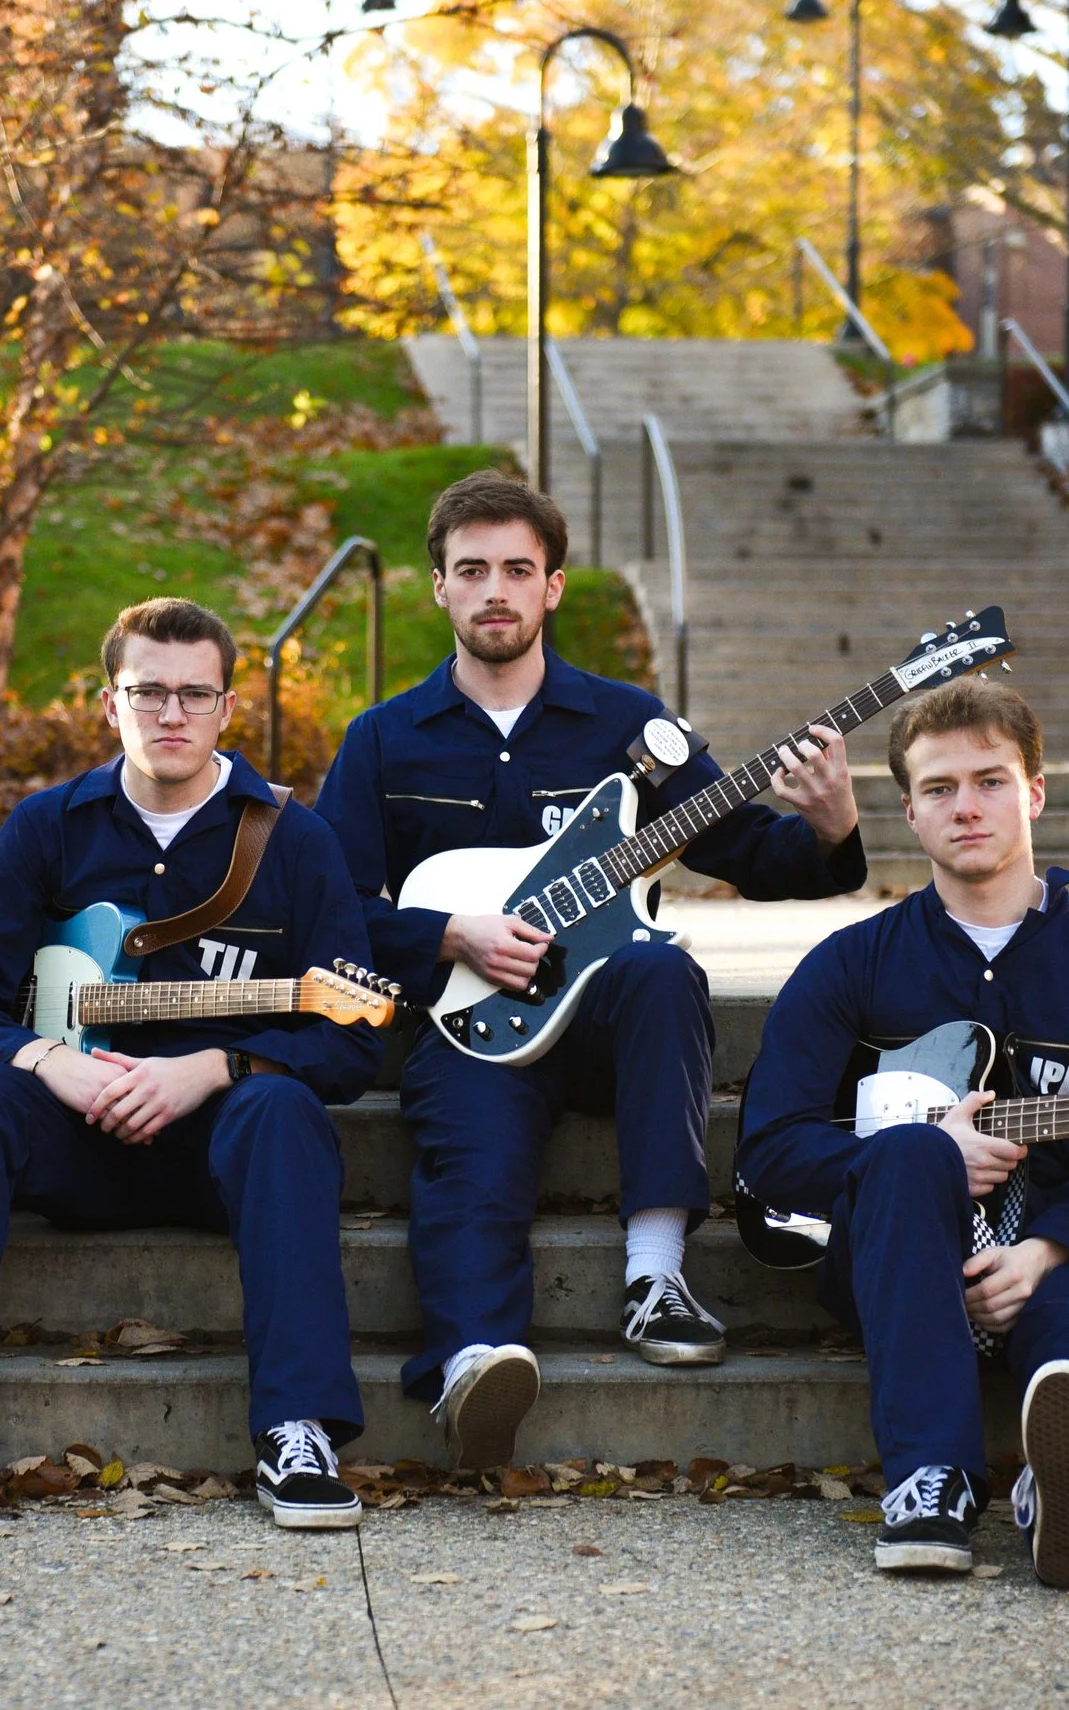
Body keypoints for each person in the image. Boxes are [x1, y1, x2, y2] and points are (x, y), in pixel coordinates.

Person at [312, 471, 867, 1470]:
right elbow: (331, 911)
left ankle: (655, 1277)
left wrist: (829, 830)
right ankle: (474, 1360)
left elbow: (740, 846)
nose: (495, 589)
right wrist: (449, 937)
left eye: (517, 570)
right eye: (471, 569)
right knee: (470, 1171)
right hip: (467, 1021)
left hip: (610, 1023)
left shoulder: (626, 726)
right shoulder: (382, 741)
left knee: (662, 970)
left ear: (552, 587)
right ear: (437, 587)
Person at [0, 597, 381, 1530]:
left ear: (227, 709)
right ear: (108, 704)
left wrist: (214, 1068)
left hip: (218, 1149)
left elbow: (353, 1041)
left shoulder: (294, 843)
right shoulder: (47, 828)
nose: (172, 714)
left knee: (285, 1115)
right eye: (148, 691)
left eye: (195, 694)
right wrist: (44, 1062)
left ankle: (297, 1431)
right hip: (69, 1135)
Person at [735, 680, 1069, 1588]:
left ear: (1036, 792)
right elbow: (771, 1150)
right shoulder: (850, 964)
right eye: (940, 788)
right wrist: (927, 1159)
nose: (967, 806)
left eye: (991, 780)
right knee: (910, 1152)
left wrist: (1047, 1252)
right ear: (907, 809)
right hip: (896, 1254)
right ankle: (929, 1481)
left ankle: (1066, 1503)